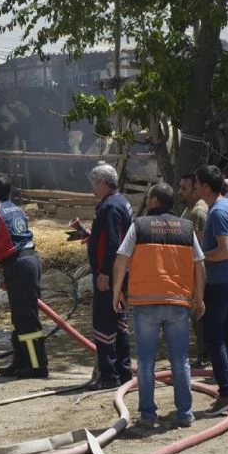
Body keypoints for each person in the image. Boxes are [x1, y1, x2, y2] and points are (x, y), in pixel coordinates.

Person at [112, 183, 205, 429]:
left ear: (153, 200)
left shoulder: (139, 225)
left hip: (145, 304)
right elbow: (200, 265)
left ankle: (147, 416)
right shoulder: (186, 228)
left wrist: (116, 293)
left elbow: (121, 260)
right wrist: (199, 298)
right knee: (180, 360)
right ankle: (185, 413)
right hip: (178, 303)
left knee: (145, 362)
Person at [0, 173, 48, 379]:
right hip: (28, 261)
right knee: (21, 316)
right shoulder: (17, 209)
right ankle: (20, 362)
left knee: (27, 319)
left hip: (19, 264)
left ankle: (37, 367)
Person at [87, 163, 134, 390]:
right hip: (120, 273)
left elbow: (115, 242)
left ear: (103, 183)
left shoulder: (110, 207)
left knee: (105, 323)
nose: (93, 187)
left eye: (94, 183)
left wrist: (105, 271)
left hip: (111, 275)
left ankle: (109, 375)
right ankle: (124, 373)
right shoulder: (121, 202)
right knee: (119, 322)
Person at [194, 165, 228, 416]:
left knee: (214, 339)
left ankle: (225, 393)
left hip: (218, 284)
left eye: (197, 183)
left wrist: (198, 258)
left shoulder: (217, 212)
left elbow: (224, 249)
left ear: (205, 186)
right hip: (223, 282)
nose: (195, 188)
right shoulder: (225, 206)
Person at [179, 173, 210, 367]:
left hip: (198, 274)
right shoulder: (188, 210)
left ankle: (206, 354)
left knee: (201, 313)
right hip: (189, 272)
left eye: (184, 188)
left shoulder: (198, 213)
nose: (179, 192)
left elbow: (200, 249)